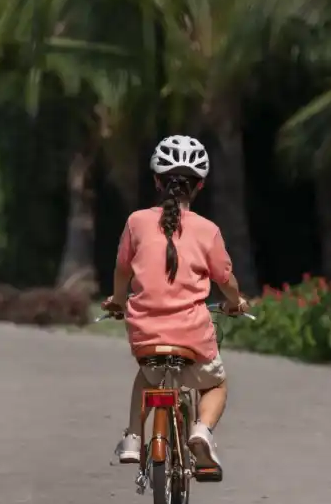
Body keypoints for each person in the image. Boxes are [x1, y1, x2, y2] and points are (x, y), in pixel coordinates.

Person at [103, 134, 249, 479]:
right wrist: (235, 302)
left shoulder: (136, 222)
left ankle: (133, 437)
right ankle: (201, 431)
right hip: (192, 336)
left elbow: (123, 269)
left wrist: (119, 301)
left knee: (147, 375)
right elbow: (224, 278)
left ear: (156, 181)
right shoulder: (207, 229)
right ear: (200, 186)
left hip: (146, 333)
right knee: (215, 385)